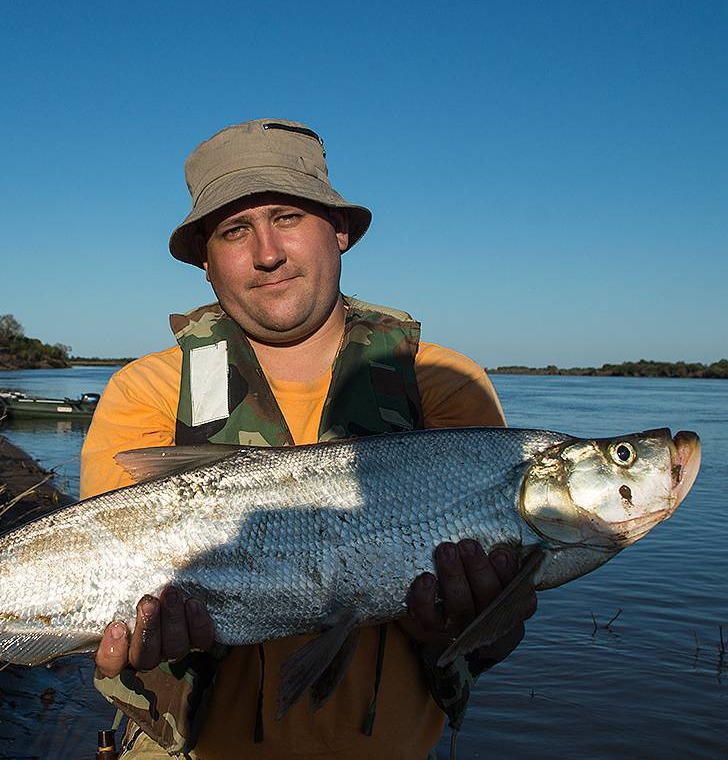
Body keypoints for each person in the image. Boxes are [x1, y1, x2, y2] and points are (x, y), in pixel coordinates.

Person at [80, 119, 535, 759]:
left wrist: (483, 621)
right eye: (235, 231)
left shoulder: (444, 381)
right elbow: (120, 616)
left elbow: (494, 637)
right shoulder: (146, 389)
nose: (267, 252)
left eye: (287, 217)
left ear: (340, 232)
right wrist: (144, 630)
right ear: (206, 263)